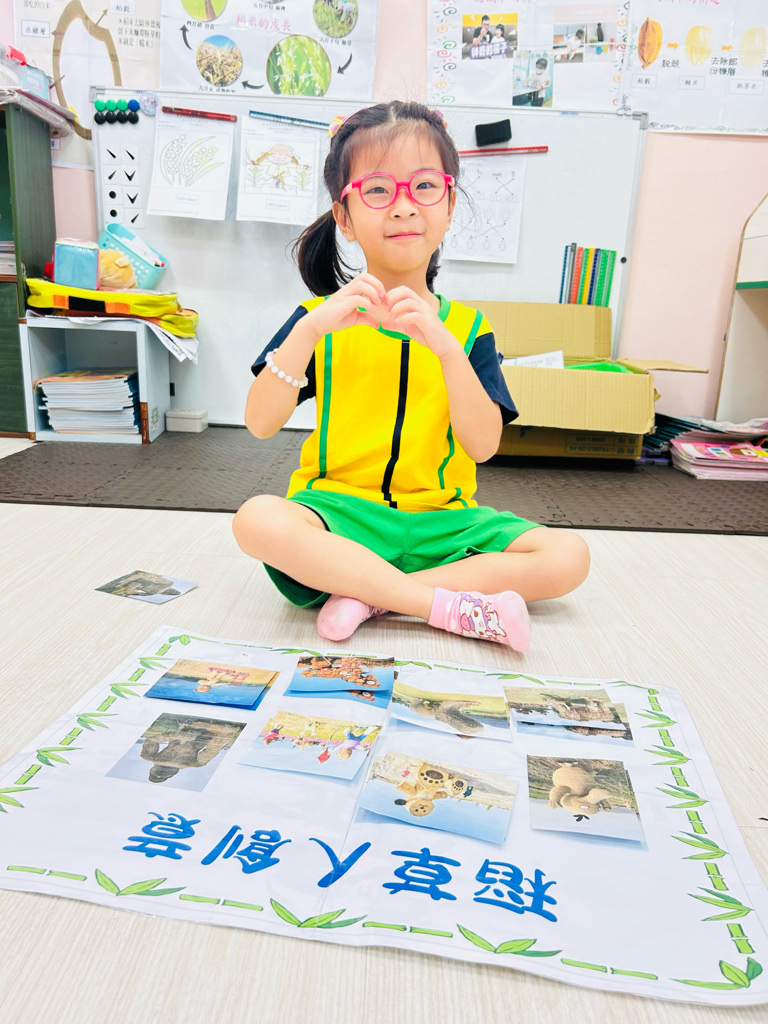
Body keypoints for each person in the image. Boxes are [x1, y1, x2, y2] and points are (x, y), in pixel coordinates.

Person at [233, 101, 590, 652]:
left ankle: (371, 595)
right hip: (342, 518)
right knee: (256, 519)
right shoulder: (318, 320)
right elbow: (259, 423)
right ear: (345, 217)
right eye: (377, 190)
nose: (403, 207)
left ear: (448, 205)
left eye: (424, 186)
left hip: (443, 523)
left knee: (569, 556)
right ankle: (438, 605)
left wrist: (446, 350)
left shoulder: (468, 330)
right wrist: (309, 331)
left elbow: (483, 445)